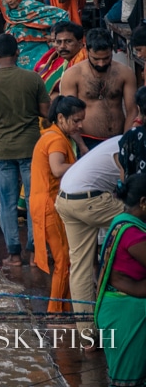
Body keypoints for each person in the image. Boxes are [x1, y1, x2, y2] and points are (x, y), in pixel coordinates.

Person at [0, 33, 51, 268]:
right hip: (31, 148)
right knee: (33, 201)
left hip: (3, 150)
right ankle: (35, 252)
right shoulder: (33, 78)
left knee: (7, 203)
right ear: (17, 52)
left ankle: (14, 256)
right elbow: (46, 112)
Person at [55, 134, 126, 333]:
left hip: (65, 199)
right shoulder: (132, 143)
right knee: (137, 220)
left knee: (80, 266)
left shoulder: (117, 141)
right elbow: (128, 185)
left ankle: (87, 335)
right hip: (88, 200)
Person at [30, 95, 86, 313]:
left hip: (46, 203)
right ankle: (55, 312)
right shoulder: (55, 139)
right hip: (48, 206)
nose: (80, 125)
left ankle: (67, 306)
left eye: (82, 120)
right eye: (76, 121)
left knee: (66, 259)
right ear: (61, 118)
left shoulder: (53, 134)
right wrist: (82, 165)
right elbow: (57, 169)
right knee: (64, 260)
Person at [94, 172, 146, 383]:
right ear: (143, 202)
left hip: (117, 308)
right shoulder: (134, 235)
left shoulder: (119, 223)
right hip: (127, 314)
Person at [60, 29, 139, 147]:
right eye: (96, 59)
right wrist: (81, 145)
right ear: (87, 51)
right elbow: (68, 114)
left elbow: (132, 110)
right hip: (86, 140)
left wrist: (125, 140)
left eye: (106, 58)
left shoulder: (125, 73)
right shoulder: (73, 75)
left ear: (112, 51)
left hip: (118, 138)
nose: (101, 63)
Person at [1, 0, 70, 69]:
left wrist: (54, 36)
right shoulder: (9, 16)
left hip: (40, 52)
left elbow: (62, 15)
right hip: (20, 58)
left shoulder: (33, 8)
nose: (9, 0)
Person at [34, 21, 86, 94]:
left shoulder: (85, 60)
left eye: (68, 41)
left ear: (80, 42)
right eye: (58, 42)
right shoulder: (61, 58)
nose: (62, 46)